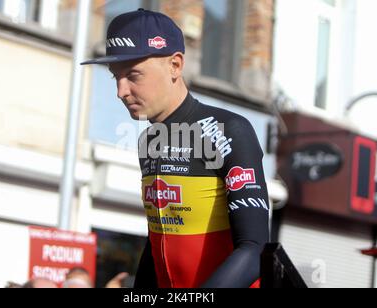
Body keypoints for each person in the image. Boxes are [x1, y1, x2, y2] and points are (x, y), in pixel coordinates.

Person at [82, 9, 269, 288]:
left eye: (133, 75)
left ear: (175, 65)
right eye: (115, 77)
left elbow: (254, 250)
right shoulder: (149, 141)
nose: (121, 91)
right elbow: (157, 241)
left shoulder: (228, 130)